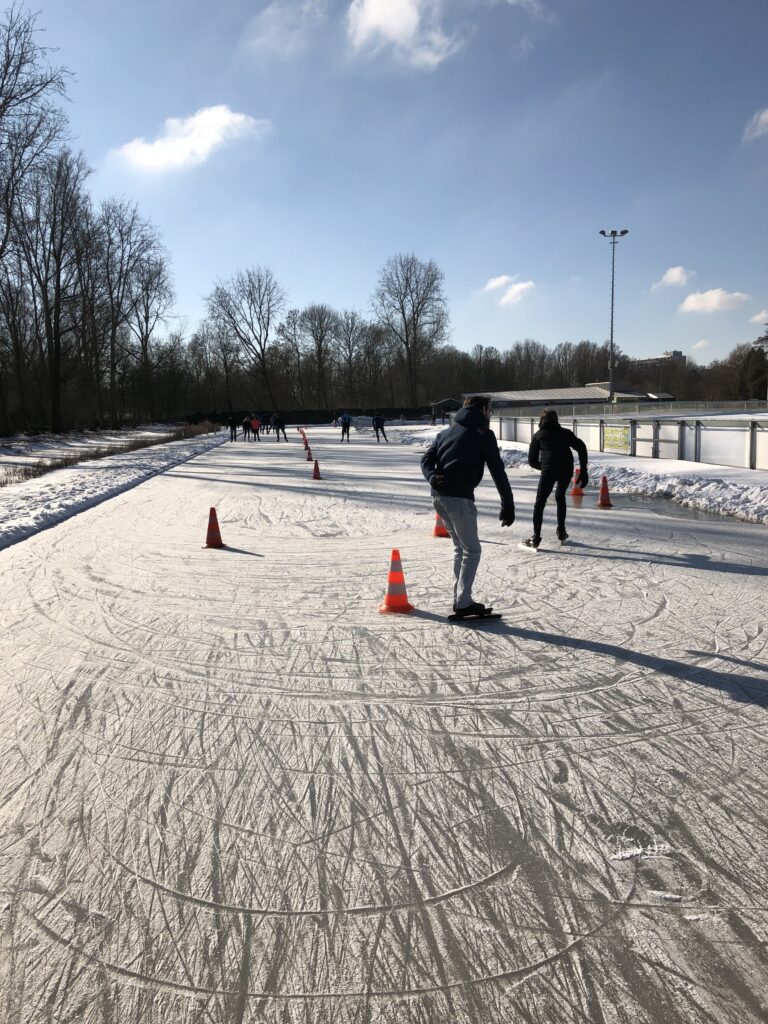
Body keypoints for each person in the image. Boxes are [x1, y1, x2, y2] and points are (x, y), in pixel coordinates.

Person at [421, 395, 515, 617]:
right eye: (490, 410)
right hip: (459, 499)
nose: (490, 415)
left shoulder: (446, 433)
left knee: (461, 549)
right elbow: (497, 471)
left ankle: (460, 599)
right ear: (482, 409)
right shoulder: (483, 434)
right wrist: (508, 504)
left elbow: (426, 459)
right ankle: (463, 602)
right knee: (472, 551)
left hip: (439, 497)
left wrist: (432, 477)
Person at [523, 408, 588, 549]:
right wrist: (584, 470)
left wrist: (545, 466)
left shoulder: (539, 435)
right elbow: (581, 447)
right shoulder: (565, 433)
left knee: (540, 501)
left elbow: (532, 461)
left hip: (549, 471)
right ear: (557, 420)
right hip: (566, 469)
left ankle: (536, 536)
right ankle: (562, 531)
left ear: (541, 421)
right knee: (560, 496)